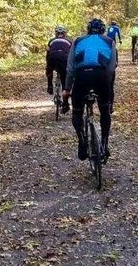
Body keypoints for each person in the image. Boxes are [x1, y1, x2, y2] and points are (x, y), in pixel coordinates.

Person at [64, 18, 117, 162]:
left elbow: (70, 68)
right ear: (103, 30)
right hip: (101, 77)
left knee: (77, 112)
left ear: (88, 30)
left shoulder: (77, 41)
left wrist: (67, 88)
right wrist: (107, 88)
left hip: (81, 77)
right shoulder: (110, 42)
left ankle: (82, 141)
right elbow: (111, 68)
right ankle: (104, 144)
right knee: (105, 111)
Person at [45, 26, 72, 111]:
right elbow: (71, 55)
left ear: (56, 34)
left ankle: (49, 85)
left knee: (49, 70)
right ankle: (65, 104)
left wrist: (48, 65)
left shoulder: (51, 41)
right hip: (64, 60)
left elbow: (48, 54)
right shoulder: (69, 41)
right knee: (64, 81)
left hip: (52, 58)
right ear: (65, 34)